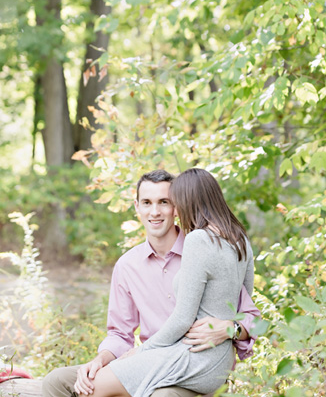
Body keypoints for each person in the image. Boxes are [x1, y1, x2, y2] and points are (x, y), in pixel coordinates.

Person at [42, 169, 259, 397]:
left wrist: (230, 329)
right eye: (147, 202)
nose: (155, 211)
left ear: (177, 206)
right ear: (137, 207)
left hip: (188, 369)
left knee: (161, 396)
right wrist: (101, 359)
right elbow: (119, 334)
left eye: (164, 202)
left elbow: (251, 316)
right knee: (58, 381)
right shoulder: (127, 265)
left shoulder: (205, 247)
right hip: (149, 359)